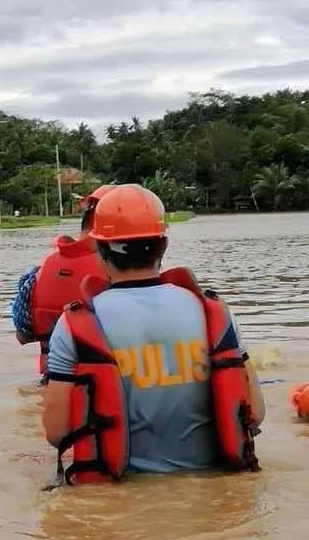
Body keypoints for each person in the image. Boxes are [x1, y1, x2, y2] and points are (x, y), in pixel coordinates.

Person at [43, 184, 265, 480]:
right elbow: (256, 413)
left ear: (101, 248)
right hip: (213, 489)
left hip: (119, 497)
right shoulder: (213, 311)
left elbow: (57, 433)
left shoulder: (74, 324)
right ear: (163, 245)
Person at [12, 185, 114, 383]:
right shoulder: (117, 270)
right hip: (104, 387)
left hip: (52, 382)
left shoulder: (45, 268)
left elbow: (23, 335)